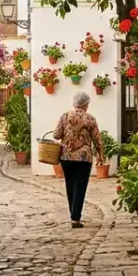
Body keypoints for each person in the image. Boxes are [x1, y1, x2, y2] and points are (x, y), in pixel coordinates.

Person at [53, 92, 103, 228]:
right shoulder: (90, 118)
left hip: (66, 156)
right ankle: (75, 218)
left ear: (74, 103)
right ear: (86, 105)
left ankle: (73, 215)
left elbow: (56, 135)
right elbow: (97, 139)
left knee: (70, 185)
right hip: (84, 158)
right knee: (80, 186)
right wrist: (100, 155)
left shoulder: (65, 116)